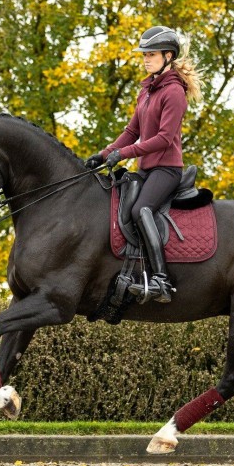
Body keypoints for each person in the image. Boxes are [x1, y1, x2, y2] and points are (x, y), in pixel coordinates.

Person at [85, 26, 202, 304]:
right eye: (144, 55)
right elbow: (131, 131)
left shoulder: (174, 92)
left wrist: (125, 153)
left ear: (168, 55)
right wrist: (103, 155)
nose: (146, 59)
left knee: (141, 209)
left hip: (167, 170)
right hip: (146, 170)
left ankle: (162, 281)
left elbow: (163, 139)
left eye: (151, 54)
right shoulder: (147, 91)